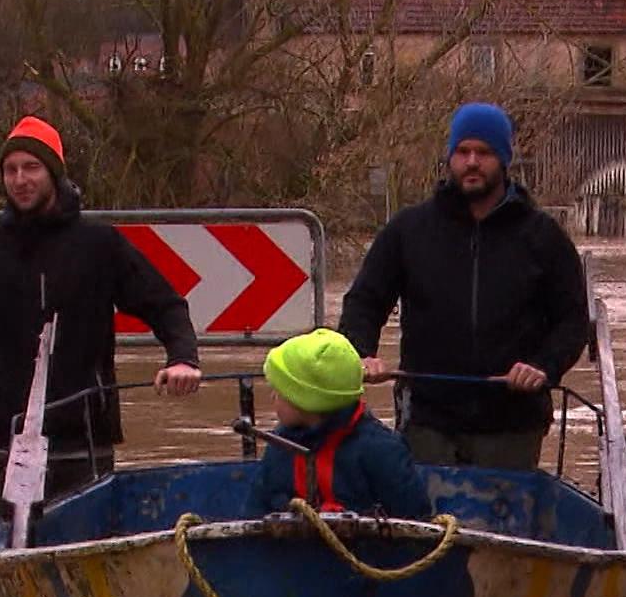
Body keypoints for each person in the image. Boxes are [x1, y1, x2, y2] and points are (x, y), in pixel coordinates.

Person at [0, 116, 203, 545]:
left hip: (80, 438)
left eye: (32, 168)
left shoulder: (99, 245)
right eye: (11, 170)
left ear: (54, 172)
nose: (20, 179)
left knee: (83, 562)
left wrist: (183, 358)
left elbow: (166, 304)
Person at [339, 102, 589, 470]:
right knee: (429, 523)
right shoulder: (408, 230)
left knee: (503, 527)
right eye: (463, 151)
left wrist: (542, 366)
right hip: (426, 421)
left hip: (512, 424)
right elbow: (364, 302)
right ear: (450, 158)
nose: (472, 162)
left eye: (484, 152)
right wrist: (360, 355)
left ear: (504, 160)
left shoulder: (543, 236)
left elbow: (572, 320)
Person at [249, 328, 432, 518]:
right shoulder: (279, 447)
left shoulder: (381, 451)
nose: (273, 396)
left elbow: (414, 518)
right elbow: (255, 513)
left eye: (280, 391)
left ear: (307, 400)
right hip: (290, 547)